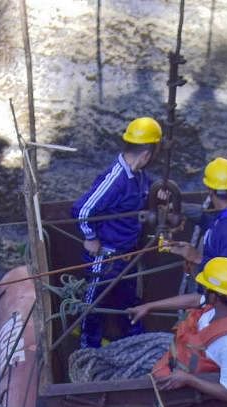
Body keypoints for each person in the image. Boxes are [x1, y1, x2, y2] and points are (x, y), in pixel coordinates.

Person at [71, 116, 162, 349]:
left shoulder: (139, 175)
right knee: (94, 303)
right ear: (146, 155)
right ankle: (88, 348)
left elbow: (146, 189)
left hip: (126, 254)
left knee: (128, 299)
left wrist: (158, 192)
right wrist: (90, 238)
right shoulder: (115, 179)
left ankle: (134, 342)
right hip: (106, 256)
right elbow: (83, 209)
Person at [126, 256, 227, 403]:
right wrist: (149, 306)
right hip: (174, 364)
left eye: (206, 288)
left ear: (214, 296)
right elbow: (195, 300)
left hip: (185, 385)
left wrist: (188, 379)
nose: (203, 291)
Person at [165, 157, 227, 277]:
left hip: (215, 290)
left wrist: (197, 258)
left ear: (210, 189)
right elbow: (213, 220)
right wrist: (181, 208)